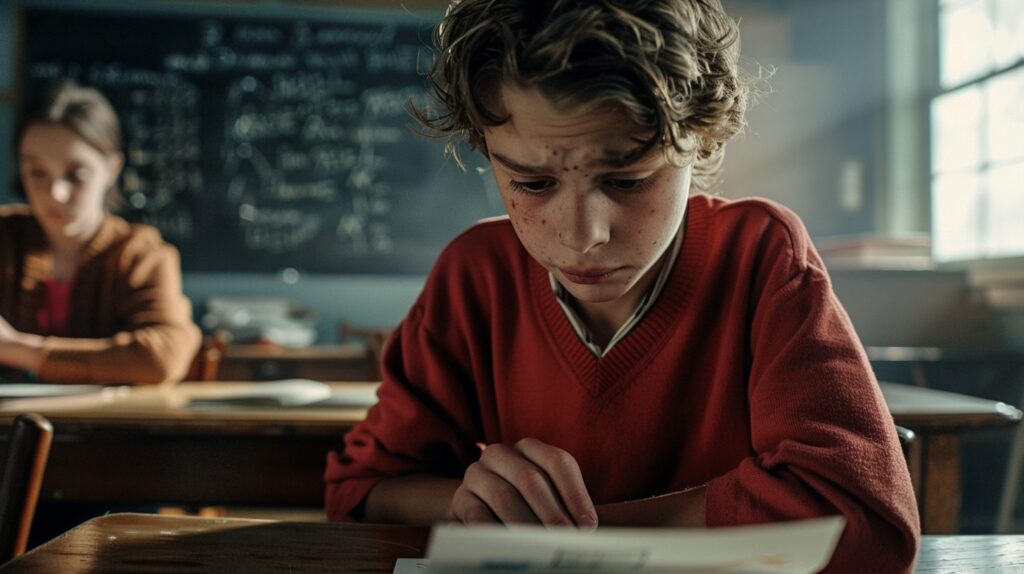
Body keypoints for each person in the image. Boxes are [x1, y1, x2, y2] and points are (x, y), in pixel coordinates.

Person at [325, 1, 920, 571]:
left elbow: (867, 523)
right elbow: (362, 490)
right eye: (532, 184)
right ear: (488, 151)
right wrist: (465, 501)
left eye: (629, 180)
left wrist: (579, 536)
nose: (583, 236)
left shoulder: (760, 255)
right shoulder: (475, 275)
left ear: (703, 142)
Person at [0, 80, 200, 384]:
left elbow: (160, 358)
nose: (56, 193)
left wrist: (17, 348)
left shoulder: (141, 254)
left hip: (112, 430)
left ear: (111, 169)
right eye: (37, 172)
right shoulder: (4, 236)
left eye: (76, 175)